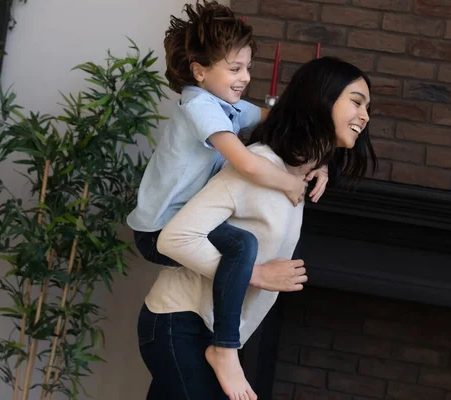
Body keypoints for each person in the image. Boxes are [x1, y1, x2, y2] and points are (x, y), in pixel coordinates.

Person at [137, 56, 376, 400]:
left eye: (368, 107)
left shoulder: (293, 177)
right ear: (321, 99)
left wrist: (319, 163)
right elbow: (174, 238)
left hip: (205, 332)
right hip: (181, 324)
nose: (365, 116)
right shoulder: (259, 166)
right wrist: (258, 275)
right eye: (356, 101)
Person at [127, 2, 329, 398]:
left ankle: (222, 343)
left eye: (248, 68)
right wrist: (289, 186)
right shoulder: (199, 105)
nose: (245, 78)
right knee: (243, 244)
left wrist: (317, 164)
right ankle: (225, 347)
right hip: (156, 230)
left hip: (174, 221)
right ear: (199, 71)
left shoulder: (228, 106)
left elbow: (280, 125)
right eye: (234, 69)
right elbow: (246, 163)